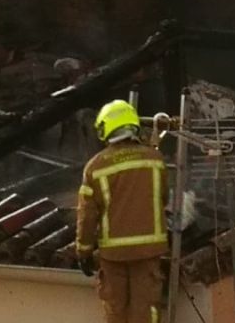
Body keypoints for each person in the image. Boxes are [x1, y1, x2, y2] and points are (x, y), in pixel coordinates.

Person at [76, 100, 169, 323]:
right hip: (149, 250)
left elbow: (87, 216)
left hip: (113, 254)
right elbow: (163, 199)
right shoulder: (155, 160)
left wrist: (84, 251)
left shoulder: (95, 167)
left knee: (115, 310)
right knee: (147, 310)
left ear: (105, 129)